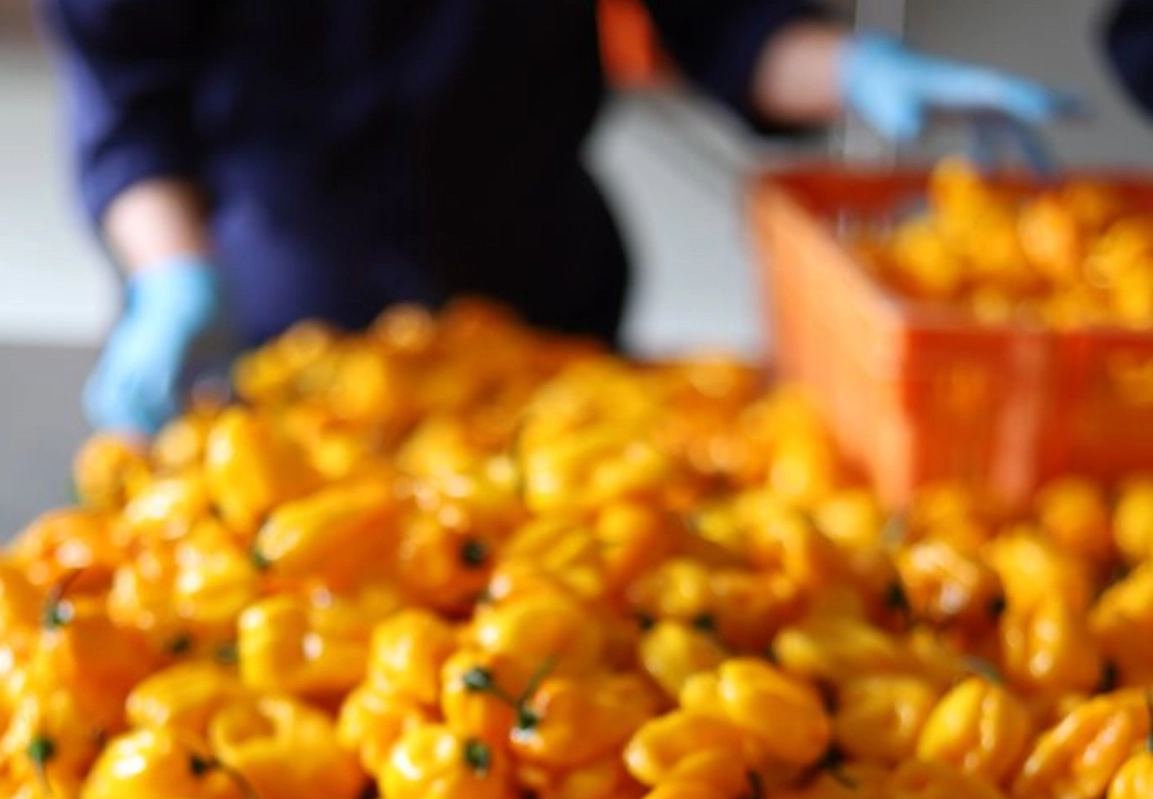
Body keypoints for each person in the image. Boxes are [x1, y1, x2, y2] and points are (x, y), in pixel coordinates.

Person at [41, 1, 1077, 437]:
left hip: (537, 284)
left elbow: (725, 22)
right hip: (278, 309)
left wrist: (853, 72)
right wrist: (173, 276)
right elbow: (128, 103)